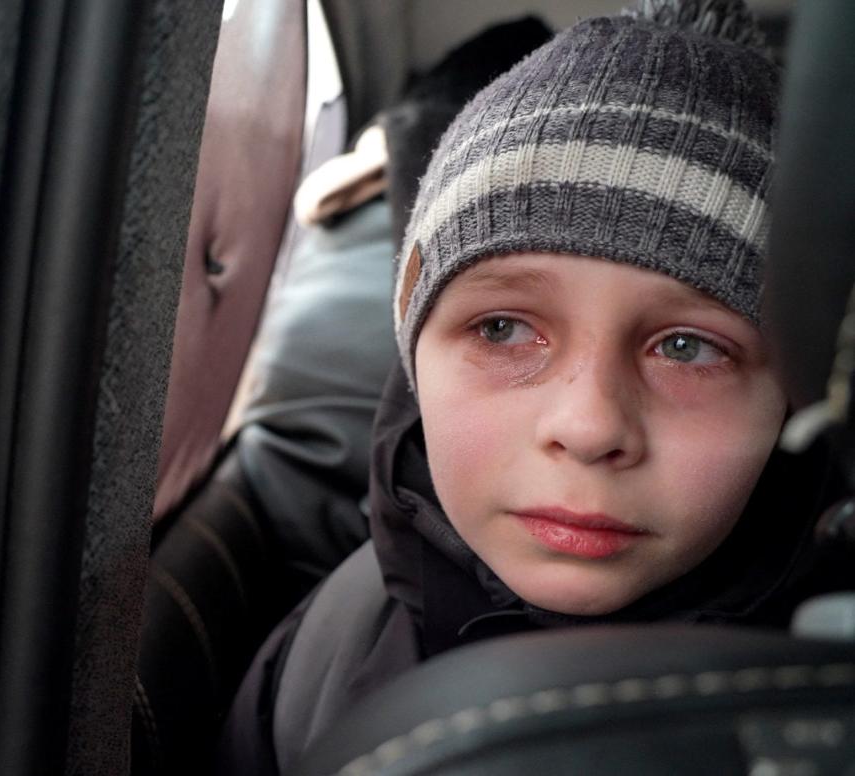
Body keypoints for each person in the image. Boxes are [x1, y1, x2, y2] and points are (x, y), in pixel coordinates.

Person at [213, 1, 852, 773]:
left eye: (686, 347)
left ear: (794, 396)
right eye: (503, 330)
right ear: (416, 359)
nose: (587, 427)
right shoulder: (320, 658)